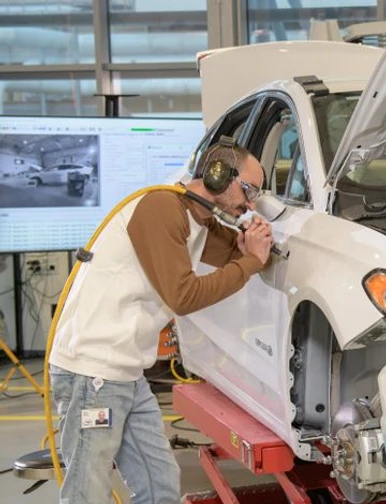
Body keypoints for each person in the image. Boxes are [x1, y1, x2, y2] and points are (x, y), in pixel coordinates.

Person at [47, 140, 274, 504]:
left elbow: (238, 252)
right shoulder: (161, 208)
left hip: (127, 373)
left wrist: (254, 247)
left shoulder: (197, 220)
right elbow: (183, 297)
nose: (250, 204)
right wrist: (249, 263)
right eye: (248, 191)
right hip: (93, 373)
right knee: (87, 494)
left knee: (160, 485)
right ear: (217, 176)